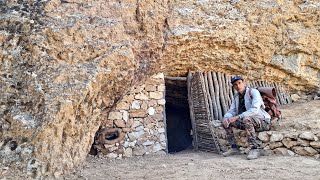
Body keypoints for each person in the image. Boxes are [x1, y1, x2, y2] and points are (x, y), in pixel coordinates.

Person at [222, 75, 271, 160]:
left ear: (244, 83)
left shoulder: (253, 92)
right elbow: (232, 111)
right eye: (235, 85)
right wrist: (226, 118)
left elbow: (254, 110)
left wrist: (238, 117)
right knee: (227, 121)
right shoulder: (236, 97)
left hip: (262, 122)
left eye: (239, 83)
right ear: (233, 87)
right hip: (248, 123)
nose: (238, 86)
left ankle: (254, 149)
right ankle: (234, 148)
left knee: (246, 119)